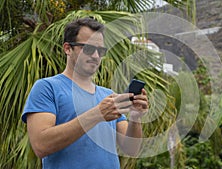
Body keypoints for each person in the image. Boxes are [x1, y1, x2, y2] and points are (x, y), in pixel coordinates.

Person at [21, 17, 148, 169]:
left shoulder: (108, 96)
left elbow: (131, 149)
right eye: (88, 49)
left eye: (101, 51)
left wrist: (135, 117)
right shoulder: (47, 88)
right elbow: (41, 145)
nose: (95, 56)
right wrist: (97, 114)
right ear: (68, 48)